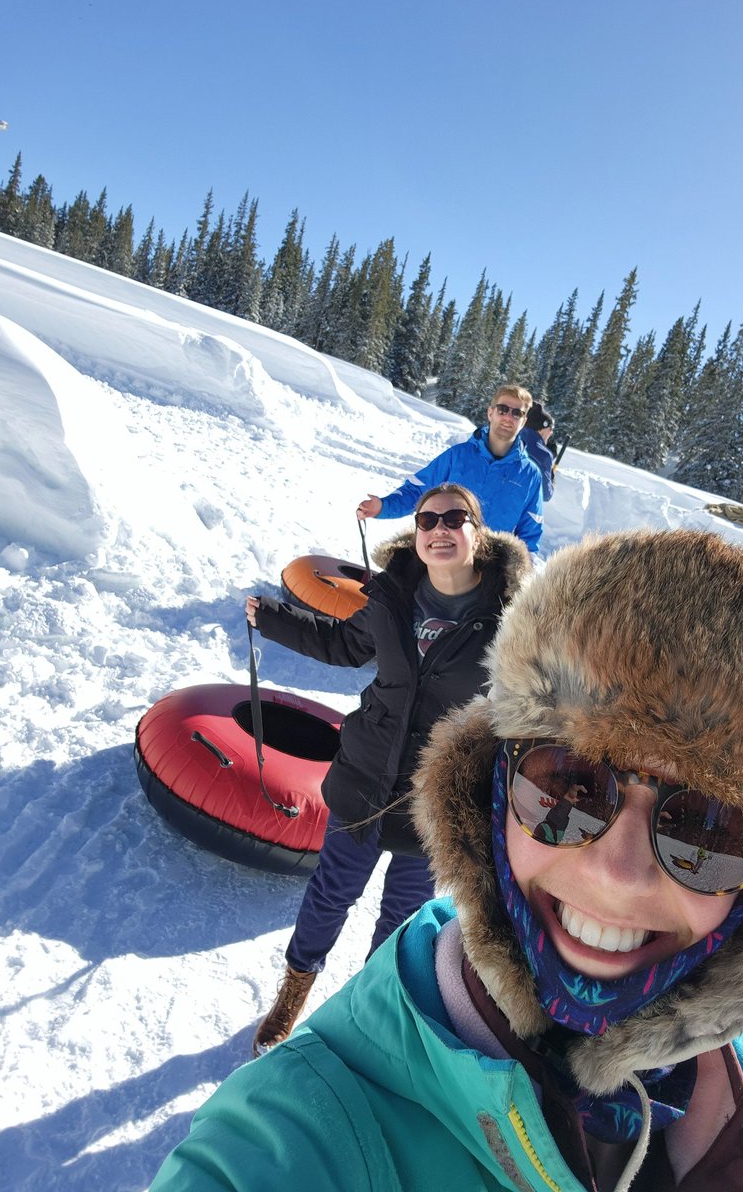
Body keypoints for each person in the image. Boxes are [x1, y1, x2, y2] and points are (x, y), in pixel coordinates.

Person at [151, 530, 743, 1192]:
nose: (617, 875)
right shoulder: (305, 1136)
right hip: (364, 791)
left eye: (707, 834)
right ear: (488, 794)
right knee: (333, 898)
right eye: (566, 788)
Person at [244, 483, 529, 1057]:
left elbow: (534, 700)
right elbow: (345, 646)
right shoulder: (391, 594)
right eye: (428, 520)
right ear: (416, 534)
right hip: (366, 774)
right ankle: (293, 992)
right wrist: (273, 619)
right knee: (330, 893)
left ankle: (366, 1013)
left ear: (479, 531)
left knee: (402, 917)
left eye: (456, 518)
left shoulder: (512, 618)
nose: (440, 529)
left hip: (434, 794)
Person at [357, 384, 544, 554]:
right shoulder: (458, 456)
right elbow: (417, 490)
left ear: (524, 421)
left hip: (489, 568)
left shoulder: (531, 475)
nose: (508, 417)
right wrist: (383, 507)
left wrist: (518, 574)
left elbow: (529, 536)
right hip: (442, 551)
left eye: (516, 413)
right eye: (503, 409)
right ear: (490, 413)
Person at [520, 399, 557, 502]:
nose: (551, 433)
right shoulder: (543, 455)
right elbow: (545, 495)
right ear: (541, 428)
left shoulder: (512, 437)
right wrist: (551, 479)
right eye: (550, 429)